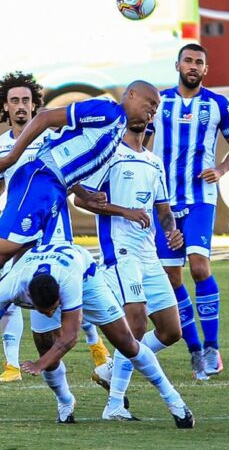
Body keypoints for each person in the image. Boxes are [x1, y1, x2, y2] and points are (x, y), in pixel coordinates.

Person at [0, 80, 159, 362]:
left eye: (156, 108)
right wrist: (13, 156)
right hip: (40, 182)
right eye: (150, 103)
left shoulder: (116, 130)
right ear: (132, 95)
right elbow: (45, 118)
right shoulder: (107, 111)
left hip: (54, 190)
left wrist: (86, 196)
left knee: (24, 270)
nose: (152, 111)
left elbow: (71, 158)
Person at [0, 71, 111, 383]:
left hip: (54, 227)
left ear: (34, 105)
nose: (21, 106)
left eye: (26, 100)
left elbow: (67, 177)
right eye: (15, 100)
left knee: (71, 287)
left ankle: (96, 344)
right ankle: (11, 365)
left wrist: (86, 193)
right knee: (10, 294)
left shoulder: (49, 136)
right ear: (5, 106)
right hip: (17, 229)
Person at [0, 242, 195, 428]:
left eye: (55, 306)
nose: (52, 312)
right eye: (46, 310)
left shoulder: (67, 283)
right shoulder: (11, 284)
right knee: (46, 347)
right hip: (39, 267)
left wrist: (38, 365)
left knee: (126, 343)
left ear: (59, 297)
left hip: (86, 278)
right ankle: (65, 402)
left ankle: (174, 400)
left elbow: (70, 337)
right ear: (29, 299)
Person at [145, 44, 229, 380]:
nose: (193, 66)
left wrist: (219, 169)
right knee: (172, 278)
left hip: (201, 197)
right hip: (164, 202)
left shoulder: (218, 105)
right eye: (188, 60)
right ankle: (194, 350)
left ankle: (213, 347)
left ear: (206, 69)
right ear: (177, 64)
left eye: (199, 62)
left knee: (200, 267)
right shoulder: (159, 102)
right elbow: (138, 143)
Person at [74, 118, 183, 420]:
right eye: (141, 107)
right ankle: (115, 405)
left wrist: (172, 230)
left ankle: (111, 368)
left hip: (148, 254)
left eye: (150, 111)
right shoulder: (109, 155)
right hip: (119, 251)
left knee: (172, 330)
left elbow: (164, 211)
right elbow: (81, 198)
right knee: (135, 323)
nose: (145, 115)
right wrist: (124, 212)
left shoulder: (154, 162)